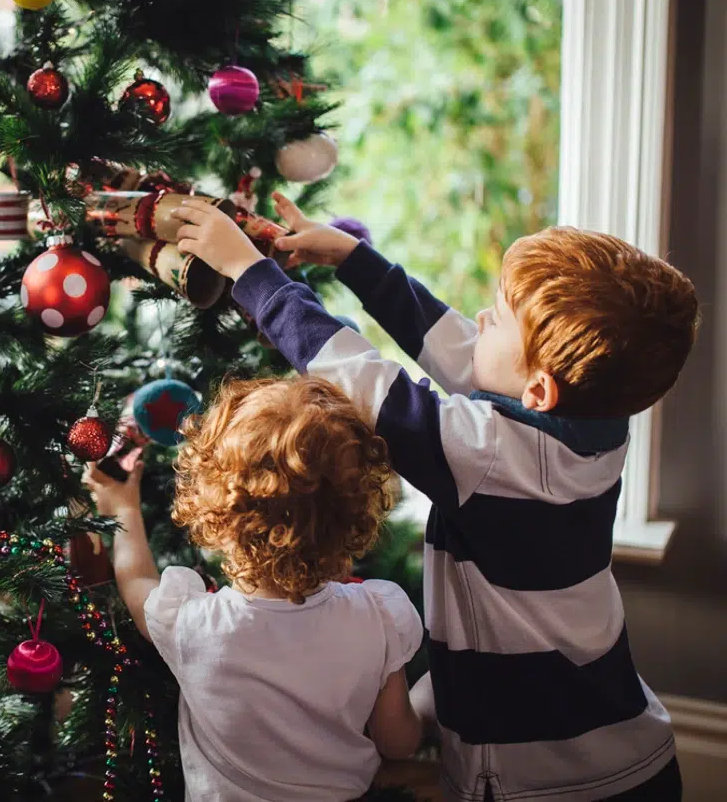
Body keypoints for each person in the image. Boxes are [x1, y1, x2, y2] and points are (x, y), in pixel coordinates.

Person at [171, 194, 699, 802]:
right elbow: (457, 348)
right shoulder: (592, 426)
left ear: (540, 389)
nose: (478, 317)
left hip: (549, 780)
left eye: (496, 318)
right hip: (627, 751)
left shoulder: (491, 458)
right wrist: (355, 260)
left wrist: (251, 275)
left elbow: (362, 380)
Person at [84, 376, 424, 802]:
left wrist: (123, 506)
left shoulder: (194, 625)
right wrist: (427, 704)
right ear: (353, 516)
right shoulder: (379, 616)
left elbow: (135, 579)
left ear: (218, 515)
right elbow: (398, 742)